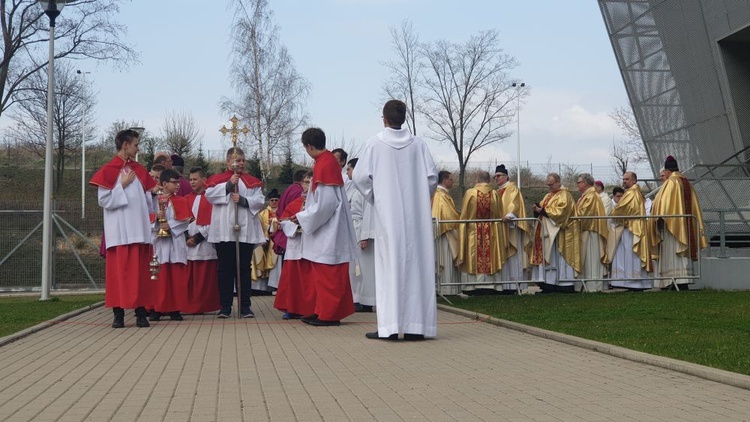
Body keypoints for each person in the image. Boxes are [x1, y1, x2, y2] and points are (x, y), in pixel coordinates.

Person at [353, 99, 438, 341]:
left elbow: (359, 177)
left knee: (389, 269)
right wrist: (419, 199)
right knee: (416, 268)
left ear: (384, 119)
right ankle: (416, 327)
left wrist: (377, 198)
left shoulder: (374, 144)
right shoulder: (419, 145)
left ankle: (389, 327)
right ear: (404, 118)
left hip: (388, 218)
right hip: (416, 219)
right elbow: (432, 178)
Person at [90, 129, 156, 328]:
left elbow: (145, 198)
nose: (138, 148)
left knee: (140, 275)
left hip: (139, 231)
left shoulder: (139, 169)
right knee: (118, 276)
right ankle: (118, 315)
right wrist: (122, 185)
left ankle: (141, 314)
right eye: (136, 144)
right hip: (119, 232)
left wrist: (153, 195)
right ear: (125, 145)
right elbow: (104, 200)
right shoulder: (109, 170)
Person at [291, 128, 357, 326]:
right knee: (320, 272)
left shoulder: (325, 164)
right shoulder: (325, 161)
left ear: (309, 146)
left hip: (330, 229)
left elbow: (326, 204)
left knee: (328, 272)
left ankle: (329, 314)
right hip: (324, 227)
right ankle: (320, 310)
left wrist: (302, 217)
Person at [205, 147, 266, 318]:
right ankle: (225, 306)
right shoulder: (218, 180)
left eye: (242, 160)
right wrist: (229, 185)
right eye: (236, 160)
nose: (240, 163)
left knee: (244, 269)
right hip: (224, 231)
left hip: (244, 231)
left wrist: (244, 200)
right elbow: (209, 196)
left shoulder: (251, 182)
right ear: (227, 162)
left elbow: (260, 200)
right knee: (225, 269)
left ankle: (245, 306)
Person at [650, 156, 707, 289]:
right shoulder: (686, 182)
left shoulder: (671, 182)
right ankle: (682, 281)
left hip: (672, 228)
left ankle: (672, 281)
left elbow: (662, 206)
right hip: (685, 226)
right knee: (682, 255)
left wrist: (655, 217)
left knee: (673, 252)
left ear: (667, 171)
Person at [149, 169, 191, 321]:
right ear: (165, 184)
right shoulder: (154, 200)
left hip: (174, 243)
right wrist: (156, 219)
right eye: (174, 182)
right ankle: (157, 308)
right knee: (159, 278)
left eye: (178, 182)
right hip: (159, 243)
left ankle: (175, 308)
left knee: (175, 278)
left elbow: (185, 220)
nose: (178, 185)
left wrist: (170, 225)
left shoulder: (181, 201)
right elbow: (146, 216)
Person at [457, 171, 507, 294]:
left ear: (477, 180)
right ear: (489, 180)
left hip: (473, 231)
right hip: (491, 230)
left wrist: (462, 227)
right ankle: (493, 286)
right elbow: (500, 214)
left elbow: (464, 215)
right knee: (490, 255)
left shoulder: (470, 193)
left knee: (474, 256)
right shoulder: (495, 194)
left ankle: (472, 287)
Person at [531, 173, 581, 293]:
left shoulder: (565, 195)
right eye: (548, 184)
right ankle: (548, 283)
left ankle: (563, 284)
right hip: (547, 232)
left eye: (551, 184)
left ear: (558, 182)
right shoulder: (549, 195)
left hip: (560, 234)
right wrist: (537, 209)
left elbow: (561, 212)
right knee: (549, 258)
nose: (549, 187)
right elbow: (543, 208)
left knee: (558, 259)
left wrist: (542, 211)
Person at [274, 172, 314, 319]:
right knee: (292, 278)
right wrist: (293, 226)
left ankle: (307, 309)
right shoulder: (294, 203)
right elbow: (283, 220)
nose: (306, 186)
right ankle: (291, 307)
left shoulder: (316, 204)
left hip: (310, 245)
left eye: (310, 183)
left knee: (308, 280)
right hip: (295, 244)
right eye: (305, 182)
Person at [183, 167, 220, 314]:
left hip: (205, 243)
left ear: (204, 180)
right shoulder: (185, 199)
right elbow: (181, 220)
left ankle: (205, 306)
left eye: (195, 179)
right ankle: (188, 305)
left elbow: (214, 221)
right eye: (190, 179)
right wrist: (186, 236)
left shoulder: (211, 198)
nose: (192, 182)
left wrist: (198, 237)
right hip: (187, 243)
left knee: (205, 278)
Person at [607, 171, 653, 290]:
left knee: (631, 255)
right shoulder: (633, 192)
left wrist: (612, 215)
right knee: (627, 255)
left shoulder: (632, 193)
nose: (624, 181)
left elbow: (622, 209)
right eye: (623, 179)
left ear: (634, 181)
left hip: (632, 229)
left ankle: (634, 282)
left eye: (627, 179)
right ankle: (627, 282)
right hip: (630, 227)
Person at [495, 164, 532, 294]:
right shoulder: (497, 191)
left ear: (506, 177)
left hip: (511, 228)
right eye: (495, 177)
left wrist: (509, 215)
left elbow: (514, 204)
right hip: (501, 228)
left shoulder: (512, 189)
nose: (496, 179)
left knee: (513, 255)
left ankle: (514, 285)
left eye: (498, 176)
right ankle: (504, 285)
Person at [347, 158, 376, 312]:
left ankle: (366, 300)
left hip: (362, 232)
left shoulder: (367, 189)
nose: (347, 173)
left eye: (349, 169)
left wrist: (365, 236)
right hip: (355, 230)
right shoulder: (354, 189)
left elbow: (368, 213)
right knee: (355, 270)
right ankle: (357, 298)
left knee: (365, 270)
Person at [575, 173, 609, 292]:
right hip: (586, 231)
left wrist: (571, 219)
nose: (577, 184)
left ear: (585, 183)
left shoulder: (591, 196)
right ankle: (585, 285)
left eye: (579, 182)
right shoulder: (586, 195)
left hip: (590, 231)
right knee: (586, 260)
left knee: (591, 260)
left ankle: (593, 286)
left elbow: (585, 214)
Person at [432, 170, 460, 296]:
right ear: (444, 180)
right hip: (445, 234)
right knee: (446, 260)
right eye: (451, 179)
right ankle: (447, 289)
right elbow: (449, 216)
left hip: (443, 232)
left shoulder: (439, 194)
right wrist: (459, 221)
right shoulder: (441, 195)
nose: (452, 181)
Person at [251, 189, 280, 294]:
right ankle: (262, 286)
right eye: (272, 200)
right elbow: (260, 227)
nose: (274, 202)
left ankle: (275, 286)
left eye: (276, 200)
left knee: (276, 262)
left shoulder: (282, 212)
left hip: (277, 242)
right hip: (264, 240)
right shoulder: (263, 213)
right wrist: (265, 238)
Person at [272, 169, 307, 256]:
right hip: (292, 232)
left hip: (284, 228)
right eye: (307, 181)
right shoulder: (299, 192)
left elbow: (279, 209)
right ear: (302, 181)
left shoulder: (288, 189)